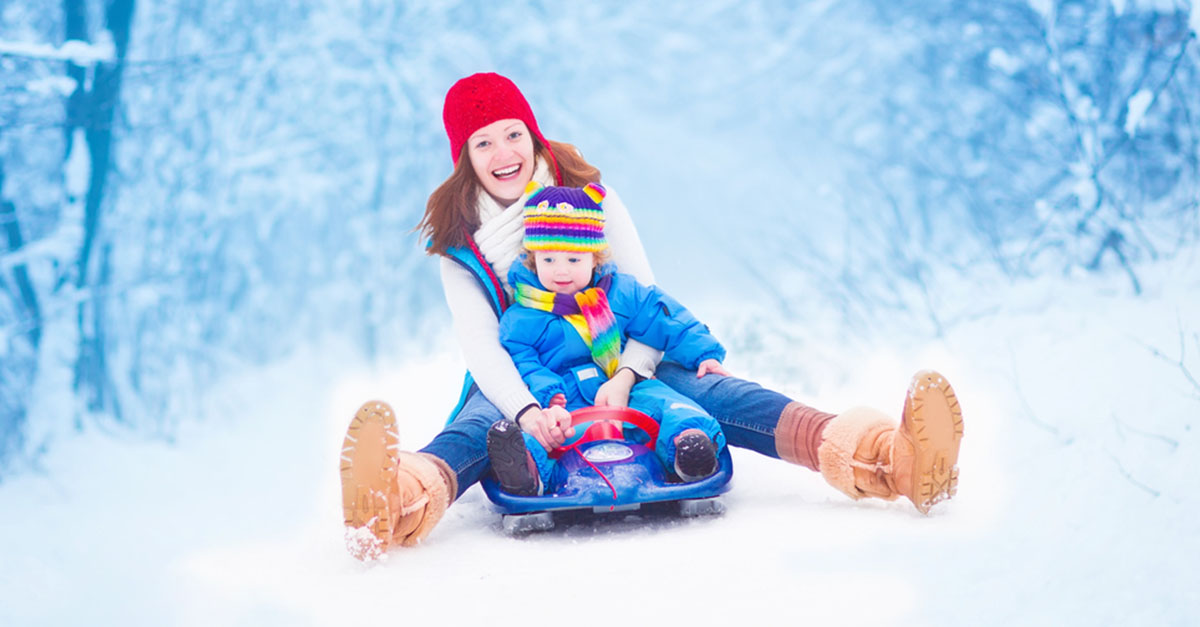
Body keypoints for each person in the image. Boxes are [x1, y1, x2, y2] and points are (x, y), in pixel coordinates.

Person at [338, 72, 964, 561]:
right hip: (523, 375)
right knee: (482, 425)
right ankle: (390, 503)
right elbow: (485, 350)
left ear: (532, 133)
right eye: (483, 141)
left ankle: (889, 459)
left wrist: (631, 377)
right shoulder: (461, 249)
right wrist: (529, 410)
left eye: (512, 133)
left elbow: (645, 299)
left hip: (622, 353)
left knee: (717, 394)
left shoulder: (592, 202)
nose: (504, 152)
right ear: (464, 156)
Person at [488, 181, 729, 495]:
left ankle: (689, 448)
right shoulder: (521, 318)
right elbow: (524, 363)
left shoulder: (621, 293)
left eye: (573, 260)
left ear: (595, 258)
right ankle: (527, 471)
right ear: (533, 260)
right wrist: (549, 399)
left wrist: (703, 353)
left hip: (623, 385)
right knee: (544, 434)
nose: (561, 270)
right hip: (566, 399)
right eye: (549, 260)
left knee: (668, 404)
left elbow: (665, 316)